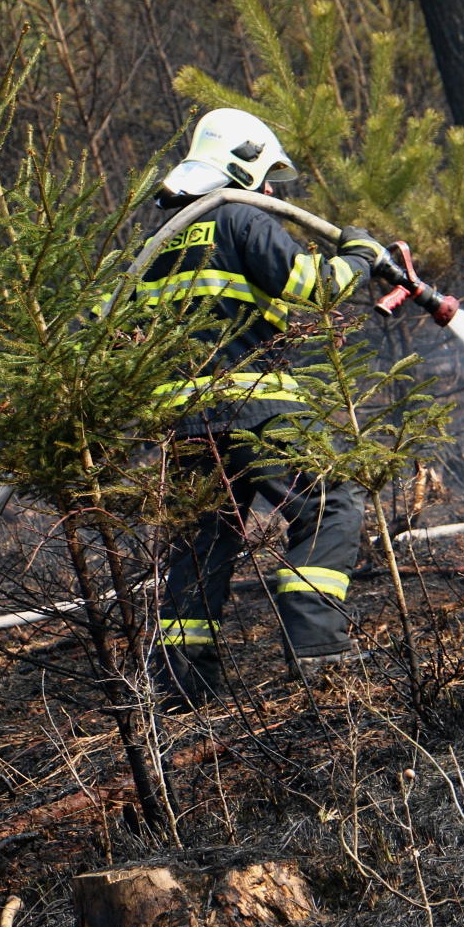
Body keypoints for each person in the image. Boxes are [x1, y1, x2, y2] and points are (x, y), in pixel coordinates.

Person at [140, 108, 387, 707]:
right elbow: (314, 287)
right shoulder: (240, 217)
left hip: (185, 422)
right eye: (267, 175)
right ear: (241, 164)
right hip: (258, 406)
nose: (274, 191)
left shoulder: (157, 243)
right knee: (328, 505)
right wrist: (358, 254)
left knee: (201, 541)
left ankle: (178, 688)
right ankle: (321, 657)